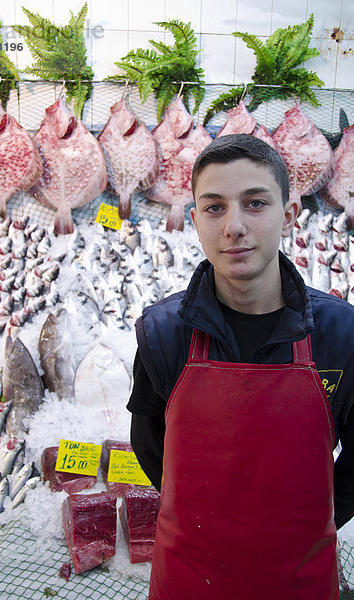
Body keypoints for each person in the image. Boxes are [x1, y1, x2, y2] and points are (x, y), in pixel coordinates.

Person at [127, 133, 354, 600]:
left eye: (254, 204)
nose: (234, 226)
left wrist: (309, 524)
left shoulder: (340, 333)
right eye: (214, 208)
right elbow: (150, 447)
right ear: (194, 220)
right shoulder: (163, 332)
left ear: (288, 215)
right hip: (186, 579)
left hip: (300, 581)